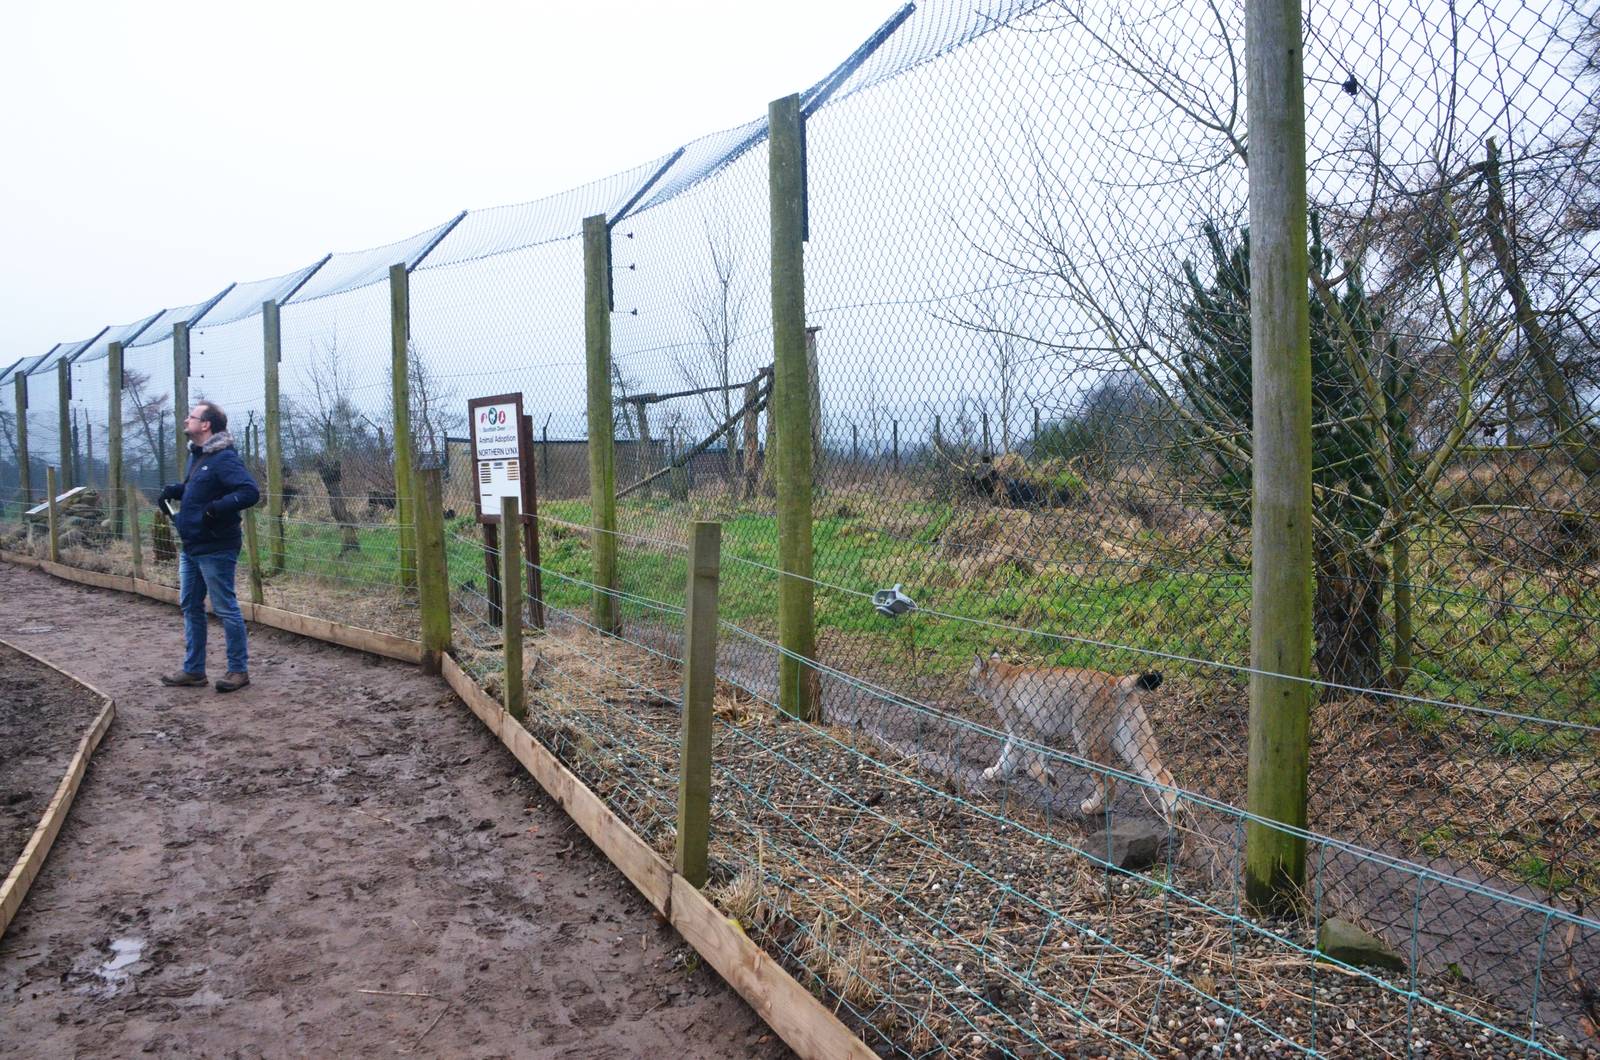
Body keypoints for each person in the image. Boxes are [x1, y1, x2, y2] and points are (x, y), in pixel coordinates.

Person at [158, 402, 261, 692]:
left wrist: (215, 510)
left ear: (206, 425)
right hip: (192, 545)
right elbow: (200, 489)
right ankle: (194, 670)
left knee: (225, 607)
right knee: (190, 605)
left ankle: (238, 670)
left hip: (216, 546)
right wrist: (176, 491)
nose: (185, 419)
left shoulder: (224, 458)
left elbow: (249, 492)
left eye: (191, 416)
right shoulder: (199, 457)